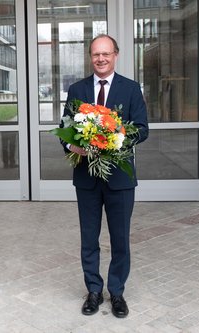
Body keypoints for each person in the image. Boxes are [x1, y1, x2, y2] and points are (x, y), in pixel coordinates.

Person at [61, 34, 149, 318]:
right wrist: (70, 143)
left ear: (116, 55)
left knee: (120, 238)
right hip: (86, 178)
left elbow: (142, 128)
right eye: (96, 54)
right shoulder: (77, 89)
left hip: (120, 181)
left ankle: (118, 293)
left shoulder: (131, 88)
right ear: (91, 57)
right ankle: (94, 291)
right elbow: (65, 126)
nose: (101, 59)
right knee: (89, 238)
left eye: (106, 54)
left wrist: (115, 140)